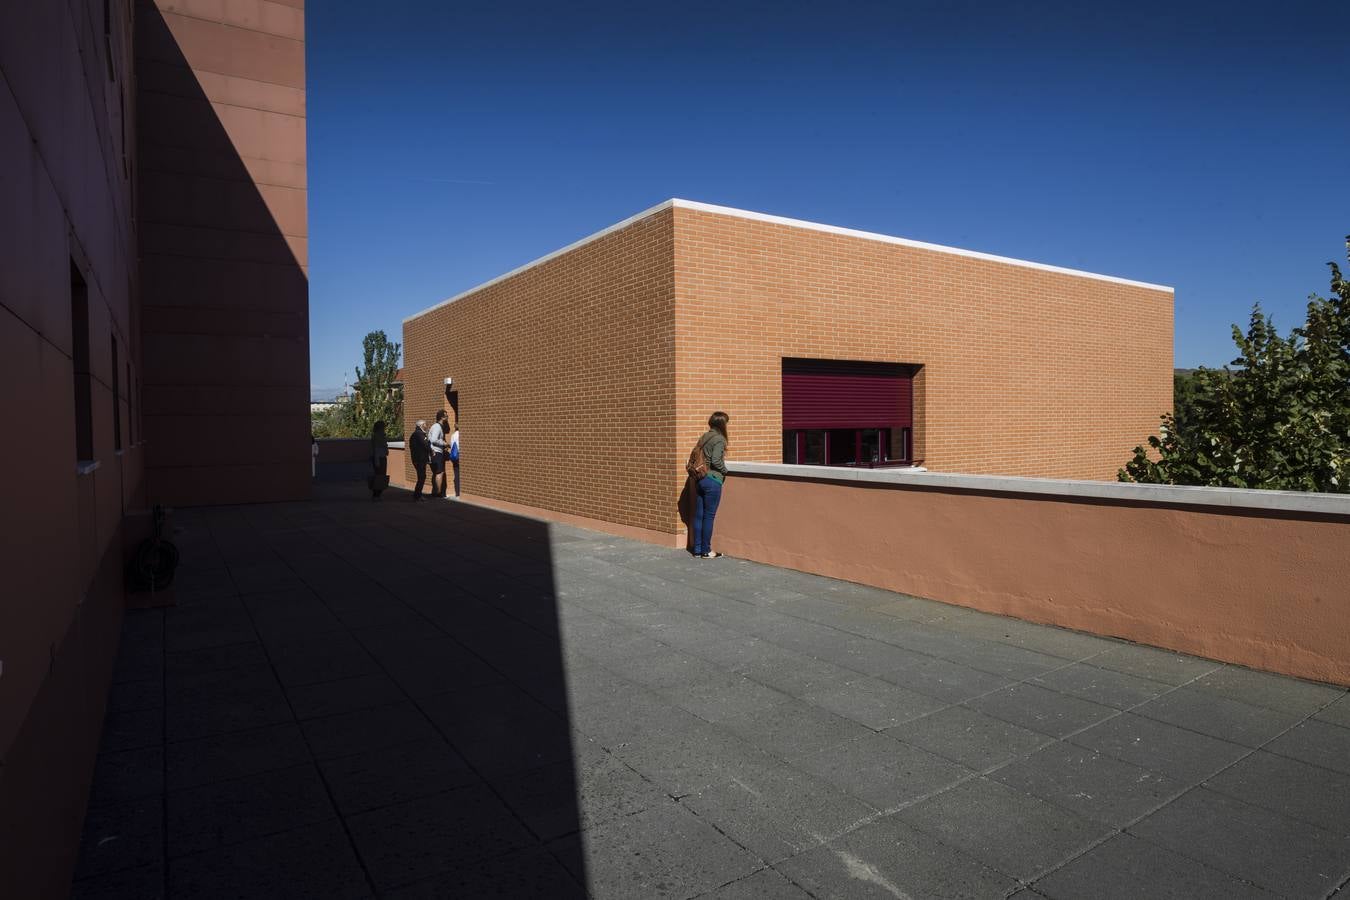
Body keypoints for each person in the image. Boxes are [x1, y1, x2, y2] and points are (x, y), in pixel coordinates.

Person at [692, 411, 729, 559]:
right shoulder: (719, 439)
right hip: (712, 480)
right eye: (726, 423)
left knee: (699, 515)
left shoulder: (704, 437)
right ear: (722, 424)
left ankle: (697, 549)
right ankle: (706, 551)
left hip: (700, 479)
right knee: (709, 516)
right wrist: (725, 471)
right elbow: (716, 461)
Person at [427, 409, 449, 498]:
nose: (448, 417)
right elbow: (433, 440)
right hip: (436, 452)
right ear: (442, 417)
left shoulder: (436, 426)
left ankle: (435, 491)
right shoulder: (437, 427)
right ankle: (438, 493)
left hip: (434, 452)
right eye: (446, 416)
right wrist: (444, 443)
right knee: (440, 472)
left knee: (436, 472)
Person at [410, 419, 430, 500]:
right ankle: (417, 495)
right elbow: (426, 445)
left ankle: (418, 494)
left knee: (421, 476)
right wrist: (431, 450)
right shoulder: (419, 434)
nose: (426, 426)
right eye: (425, 424)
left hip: (417, 459)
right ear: (421, 425)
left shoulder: (415, 434)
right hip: (420, 459)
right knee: (421, 477)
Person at [369, 421, 389, 500]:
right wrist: (377, 461)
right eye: (383, 426)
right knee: (379, 476)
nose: (385, 428)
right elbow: (376, 449)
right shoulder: (377, 436)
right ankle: (376, 494)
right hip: (379, 458)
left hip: (381, 457)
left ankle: (377, 494)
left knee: (380, 476)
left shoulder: (381, 435)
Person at [448, 421, 461, 498]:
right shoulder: (460, 434)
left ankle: (457, 492)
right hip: (459, 456)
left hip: (454, 457)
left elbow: (452, 445)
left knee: (456, 474)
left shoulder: (453, 435)